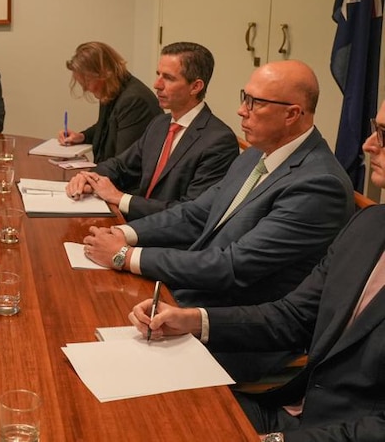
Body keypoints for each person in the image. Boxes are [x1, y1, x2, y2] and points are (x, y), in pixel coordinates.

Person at [128, 102, 385, 442]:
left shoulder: (322, 183)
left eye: (383, 133)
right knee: (144, 409)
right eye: (373, 127)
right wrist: (192, 320)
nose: (368, 144)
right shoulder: (370, 223)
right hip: (289, 410)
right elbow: (292, 317)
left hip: (331, 429)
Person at [83, 60, 354, 380]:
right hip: (186, 298)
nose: (241, 110)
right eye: (245, 97)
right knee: (83, 318)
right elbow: (196, 213)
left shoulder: (319, 184)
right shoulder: (257, 153)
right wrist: (123, 232)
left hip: (235, 332)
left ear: (292, 114)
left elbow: (234, 265)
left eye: (255, 103)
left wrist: (125, 256)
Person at [66, 42, 238, 219]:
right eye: (158, 75)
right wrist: (88, 177)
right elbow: (120, 165)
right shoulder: (161, 124)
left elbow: (190, 213)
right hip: (137, 221)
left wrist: (120, 198)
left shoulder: (219, 141)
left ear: (195, 87)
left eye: (169, 78)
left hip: (165, 237)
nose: (157, 84)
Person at [59, 41, 162, 163]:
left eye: (87, 82)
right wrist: (82, 137)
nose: (86, 89)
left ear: (103, 74)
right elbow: (108, 127)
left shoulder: (134, 101)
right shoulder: (112, 89)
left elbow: (124, 164)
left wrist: (87, 176)